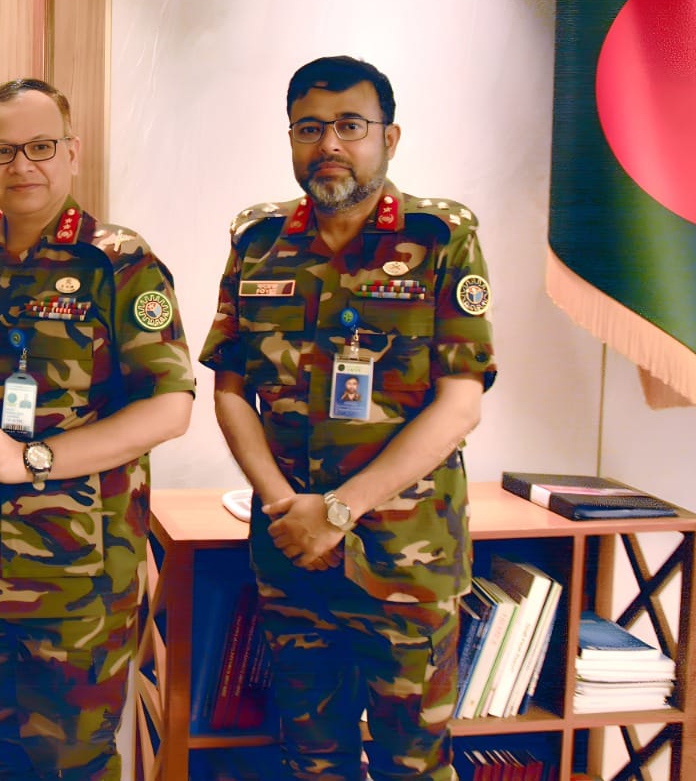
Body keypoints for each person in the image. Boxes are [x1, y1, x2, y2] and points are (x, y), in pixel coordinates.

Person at [199, 56, 497, 781]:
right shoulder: (258, 240)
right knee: (310, 760)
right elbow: (231, 390)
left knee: (412, 764)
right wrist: (286, 507)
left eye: (350, 126)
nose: (328, 143)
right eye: (309, 128)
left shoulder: (440, 236)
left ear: (388, 138)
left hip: (405, 557)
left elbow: (460, 403)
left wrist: (337, 510)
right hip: (292, 551)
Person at [0, 78, 195, 780]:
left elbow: (170, 406)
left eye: (40, 146)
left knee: (73, 762)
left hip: (78, 576)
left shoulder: (119, 263)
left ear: (72, 152)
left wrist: (32, 458)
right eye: (2, 150)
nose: (22, 165)